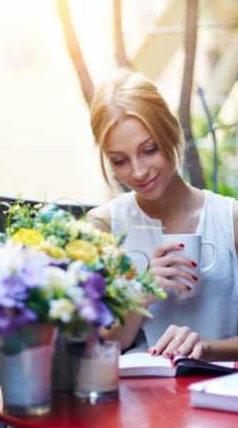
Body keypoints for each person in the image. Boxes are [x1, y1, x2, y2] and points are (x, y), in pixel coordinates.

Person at [87, 68, 238, 361]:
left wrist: (207, 348)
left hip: (219, 397)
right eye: (120, 160)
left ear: (170, 130)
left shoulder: (230, 220)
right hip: (138, 399)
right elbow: (98, 350)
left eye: (149, 149)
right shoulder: (103, 227)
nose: (139, 171)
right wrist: (141, 292)